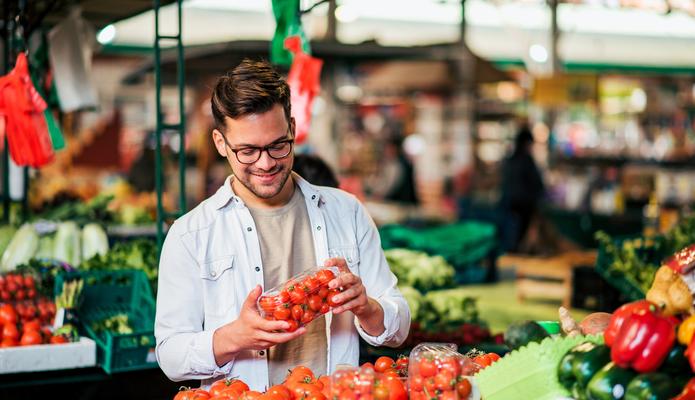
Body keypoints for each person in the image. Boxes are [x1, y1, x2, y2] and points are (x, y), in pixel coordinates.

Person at [154, 59, 410, 390]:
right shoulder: (191, 234)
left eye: (278, 145)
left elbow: (399, 325)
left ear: (291, 127)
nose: (266, 163)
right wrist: (233, 337)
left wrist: (367, 307)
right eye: (247, 150)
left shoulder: (346, 211)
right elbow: (170, 355)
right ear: (220, 143)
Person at [500, 125, 545, 251]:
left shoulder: (510, 160)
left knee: (512, 236)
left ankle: (513, 252)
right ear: (527, 143)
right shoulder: (526, 161)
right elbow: (538, 184)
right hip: (524, 205)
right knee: (520, 237)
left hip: (510, 204)